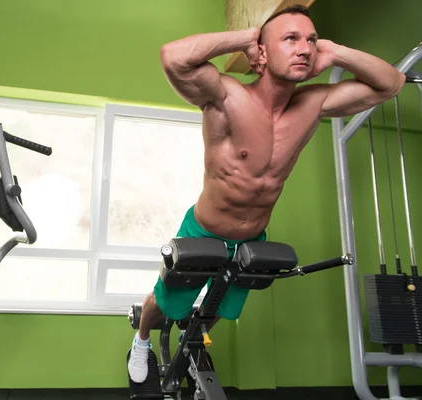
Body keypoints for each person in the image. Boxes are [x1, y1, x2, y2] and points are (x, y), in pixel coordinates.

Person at [127, 4, 405, 384]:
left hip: (252, 237)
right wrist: (244, 38)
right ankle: (141, 340)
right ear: (263, 50)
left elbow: (391, 84)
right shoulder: (225, 96)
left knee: (217, 308)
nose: (305, 48)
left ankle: (196, 337)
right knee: (164, 303)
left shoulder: (314, 103)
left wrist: (335, 50)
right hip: (205, 229)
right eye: (290, 39)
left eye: (310, 40)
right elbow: (171, 57)